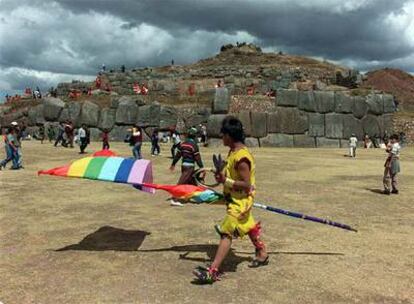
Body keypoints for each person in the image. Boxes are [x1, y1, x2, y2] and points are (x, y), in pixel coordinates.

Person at [193, 116, 268, 284]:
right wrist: (219, 172)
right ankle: (262, 253)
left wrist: (224, 181)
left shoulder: (242, 158)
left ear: (230, 135)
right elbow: (229, 175)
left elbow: (247, 184)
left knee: (226, 233)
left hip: (240, 202)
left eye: (223, 133)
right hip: (234, 198)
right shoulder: (233, 152)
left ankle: (213, 270)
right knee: (248, 226)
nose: (221, 136)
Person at [169, 127, 204, 206]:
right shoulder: (194, 145)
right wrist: (202, 167)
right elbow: (197, 158)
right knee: (182, 182)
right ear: (195, 136)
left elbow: (178, 155)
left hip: (184, 165)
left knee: (191, 182)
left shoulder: (183, 144)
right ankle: (174, 199)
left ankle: (195, 196)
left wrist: (173, 164)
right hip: (190, 167)